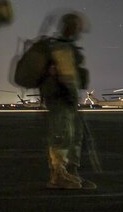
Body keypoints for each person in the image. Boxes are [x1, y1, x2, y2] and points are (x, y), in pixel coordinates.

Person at [38, 12, 95, 190]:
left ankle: (71, 173)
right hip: (61, 97)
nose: (79, 31)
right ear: (69, 27)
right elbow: (66, 74)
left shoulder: (66, 46)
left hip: (67, 98)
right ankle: (58, 175)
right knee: (62, 135)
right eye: (77, 27)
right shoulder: (60, 47)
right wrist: (71, 93)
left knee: (74, 135)